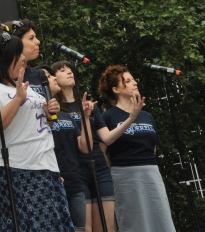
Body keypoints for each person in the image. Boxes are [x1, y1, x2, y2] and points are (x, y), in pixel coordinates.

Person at [0, 31, 72, 232]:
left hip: (48, 166)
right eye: (17, 55)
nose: (22, 59)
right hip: (20, 169)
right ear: (3, 59)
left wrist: (48, 114)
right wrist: (17, 99)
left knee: (58, 226)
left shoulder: (28, 88)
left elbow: (39, 128)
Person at [53, 60, 142, 232]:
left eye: (70, 69)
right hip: (75, 170)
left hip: (99, 168)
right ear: (54, 78)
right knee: (85, 228)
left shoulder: (89, 105)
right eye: (62, 70)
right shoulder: (57, 108)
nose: (69, 72)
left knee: (106, 227)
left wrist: (131, 118)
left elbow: (107, 138)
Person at [0, 19, 52, 195]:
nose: (37, 42)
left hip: (44, 160)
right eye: (31, 38)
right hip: (16, 162)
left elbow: (42, 124)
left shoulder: (39, 74)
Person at [99, 66, 175, 232]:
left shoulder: (147, 116)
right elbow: (102, 150)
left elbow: (153, 146)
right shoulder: (108, 116)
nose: (134, 83)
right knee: (133, 222)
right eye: (127, 81)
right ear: (116, 89)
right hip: (124, 175)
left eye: (133, 79)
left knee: (160, 218)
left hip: (151, 172)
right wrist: (113, 173)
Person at [37, 65, 93, 232]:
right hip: (52, 179)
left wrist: (85, 118)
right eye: (48, 76)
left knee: (79, 229)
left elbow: (85, 147)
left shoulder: (65, 114)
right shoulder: (36, 113)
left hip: (74, 181)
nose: (54, 78)